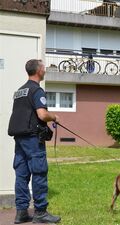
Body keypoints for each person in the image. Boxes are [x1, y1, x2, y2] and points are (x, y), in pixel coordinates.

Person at [8, 59, 61, 224]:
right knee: (39, 172)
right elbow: (42, 115)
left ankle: (21, 212)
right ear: (38, 71)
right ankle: (40, 213)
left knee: (21, 175)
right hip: (32, 138)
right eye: (44, 68)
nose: (45, 70)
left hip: (20, 139)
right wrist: (54, 116)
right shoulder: (37, 90)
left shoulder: (19, 91)